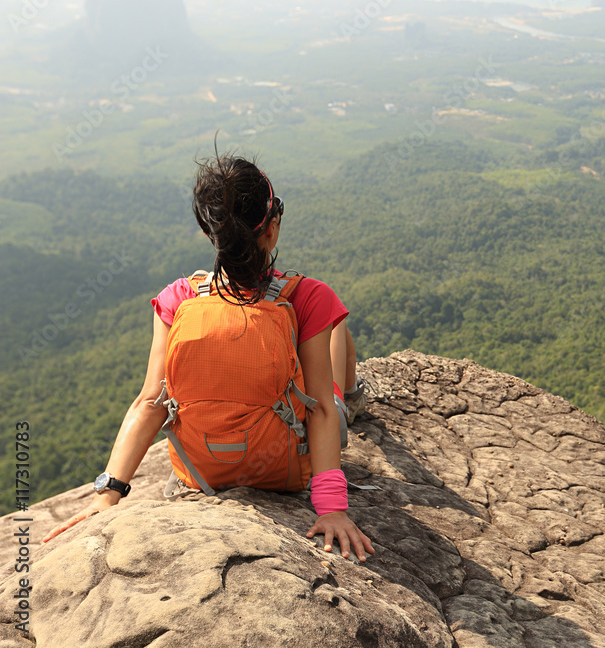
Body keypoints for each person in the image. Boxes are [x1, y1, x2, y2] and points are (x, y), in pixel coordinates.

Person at [43, 153, 375, 563]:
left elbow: (151, 402)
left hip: (200, 475)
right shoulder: (309, 297)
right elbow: (322, 409)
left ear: (209, 235)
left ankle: (352, 394)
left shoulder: (178, 299)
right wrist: (332, 509)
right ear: (272, 230)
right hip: (286, 471)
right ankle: (356, 397)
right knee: (338, 326)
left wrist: (108, 495)